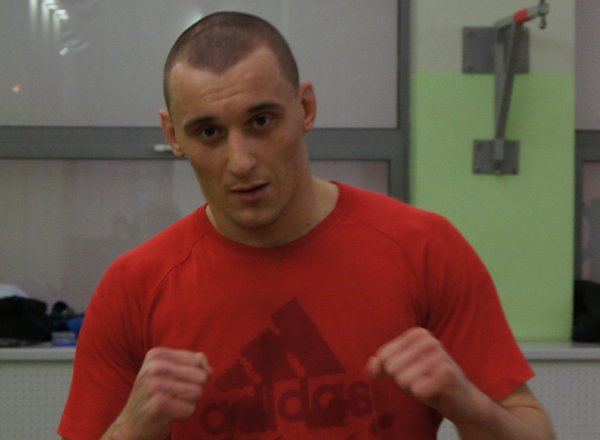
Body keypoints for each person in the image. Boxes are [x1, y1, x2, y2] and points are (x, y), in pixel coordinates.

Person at [58, 11, 555, 440]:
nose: (241, 162)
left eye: (261, 121)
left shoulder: (423, 248)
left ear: (305, 108)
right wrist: (131, 428)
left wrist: (467, 404)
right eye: (208, 132)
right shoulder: (134, 286)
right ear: (173, 135)